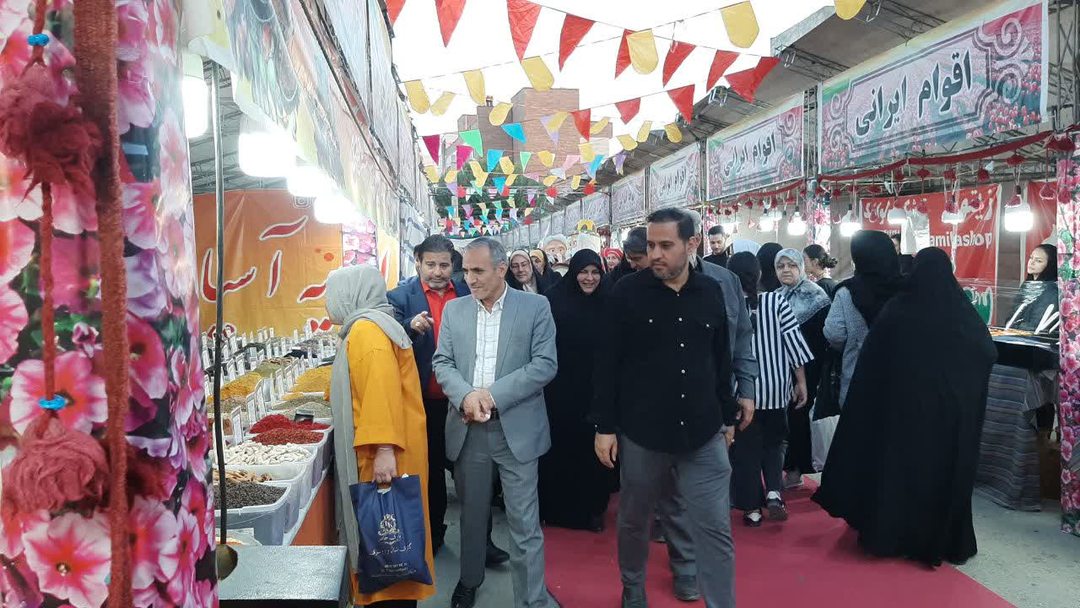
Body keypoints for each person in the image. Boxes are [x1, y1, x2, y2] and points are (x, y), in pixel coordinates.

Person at [591, 208, 752, 608]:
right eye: (651, 245)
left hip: (704, 433)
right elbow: (606, 363)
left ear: (691, 243)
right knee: (634, 519)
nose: (655, 254)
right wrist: (605, 426)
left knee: (715, 529)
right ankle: (633, 586)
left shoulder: (712, 291)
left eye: (666, 245)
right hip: (643, 433)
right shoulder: (626, 293)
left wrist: (727, 416)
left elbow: (720, 359)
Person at [813, 248, 997, 567]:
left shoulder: (898, 311)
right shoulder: (962, 313)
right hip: (948, 420)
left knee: (898, 474)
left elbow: (873, 362)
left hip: (901, 417)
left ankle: (892, 536)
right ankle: (940, 539)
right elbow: (987, 353)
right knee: (940, 474)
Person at [432, 238, 560, 608]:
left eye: (478, 271)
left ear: (502, 270)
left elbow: (545, 364)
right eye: (466, 271)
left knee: (524, 523)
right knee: (472, 517)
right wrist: (466, 396)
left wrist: (490, 396)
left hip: (516, 430)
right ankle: (469, 580)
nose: (469, 279)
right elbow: (442, 362)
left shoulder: (535, 306)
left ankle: (531, 601)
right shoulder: (455, 310)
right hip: (468, 429)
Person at [653, 209, 757, 602]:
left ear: (693, 242)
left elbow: (742, 336)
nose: (660, 253)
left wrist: (746, 389)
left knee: (711, 496)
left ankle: (712, 577)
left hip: (714, 403)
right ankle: (684, 565)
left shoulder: (724, 281)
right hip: (662, 407)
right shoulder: (649, 282)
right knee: (671, 491)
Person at [387, 235, 508, 563]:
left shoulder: (470, 291)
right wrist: (408, 327)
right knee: (429, 475)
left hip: (466, 401)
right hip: (423, 403)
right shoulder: (399, 298)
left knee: (474, 476)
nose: (438, 272)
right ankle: (434, 534)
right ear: (417, 262)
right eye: (431, 264)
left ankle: (482, 542)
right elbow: (386, 337)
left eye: (444, 265)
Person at [326, 265, 435, 607]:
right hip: (390, 448)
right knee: (394, 542)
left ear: (350, 294)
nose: (328, 302)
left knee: (389, 545)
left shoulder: (366, 332)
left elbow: (379, 392)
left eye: (332, 294)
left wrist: (384, 450)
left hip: (384, 455)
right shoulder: (372, 325)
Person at [727, 252, 812, 526]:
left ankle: (752, 509)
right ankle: (774, 493)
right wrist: (801, 382)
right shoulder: (777, 301)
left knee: (746, 451)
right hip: (776, 389)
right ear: (761, 274)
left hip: (742, 392)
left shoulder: (729, 305)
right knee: (774, 444)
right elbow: (793, 343)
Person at [539, 250, 617, 532]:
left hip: (597, 390)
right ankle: (556, 509)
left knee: (593, 451)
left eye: (595, 272)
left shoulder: (610, 300)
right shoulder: (553, 299)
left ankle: (593, 510)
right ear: (573, 273)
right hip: (560, 390)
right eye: (583, 272)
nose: (589, 278)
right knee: (561, 448)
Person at [824, 230, 902, 407]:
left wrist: (855, 344)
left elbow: (834, 333)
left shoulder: (846, 292)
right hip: (901, 384)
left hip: (857, 384)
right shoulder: (906, 288)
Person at [774, 249, 831, 488]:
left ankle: (796, 469)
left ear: (801, 267)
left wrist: (806, 375)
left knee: (799, 417)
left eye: (792, 265)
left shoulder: (816, 297)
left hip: (809, 368)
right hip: (780, 367)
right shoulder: (775, 297)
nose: (786, 270)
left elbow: (825, 338)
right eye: (781, 266)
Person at [1006, 244, 1059, 331]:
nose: (1031, 263)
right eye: (1031, 258)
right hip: (1016, 334)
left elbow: (1036, 326)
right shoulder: (1027, 285)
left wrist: (1014, 326)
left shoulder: (1050, 290)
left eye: (1038, 261)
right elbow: (1012, 315)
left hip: (1031, 337)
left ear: (1050, 265)